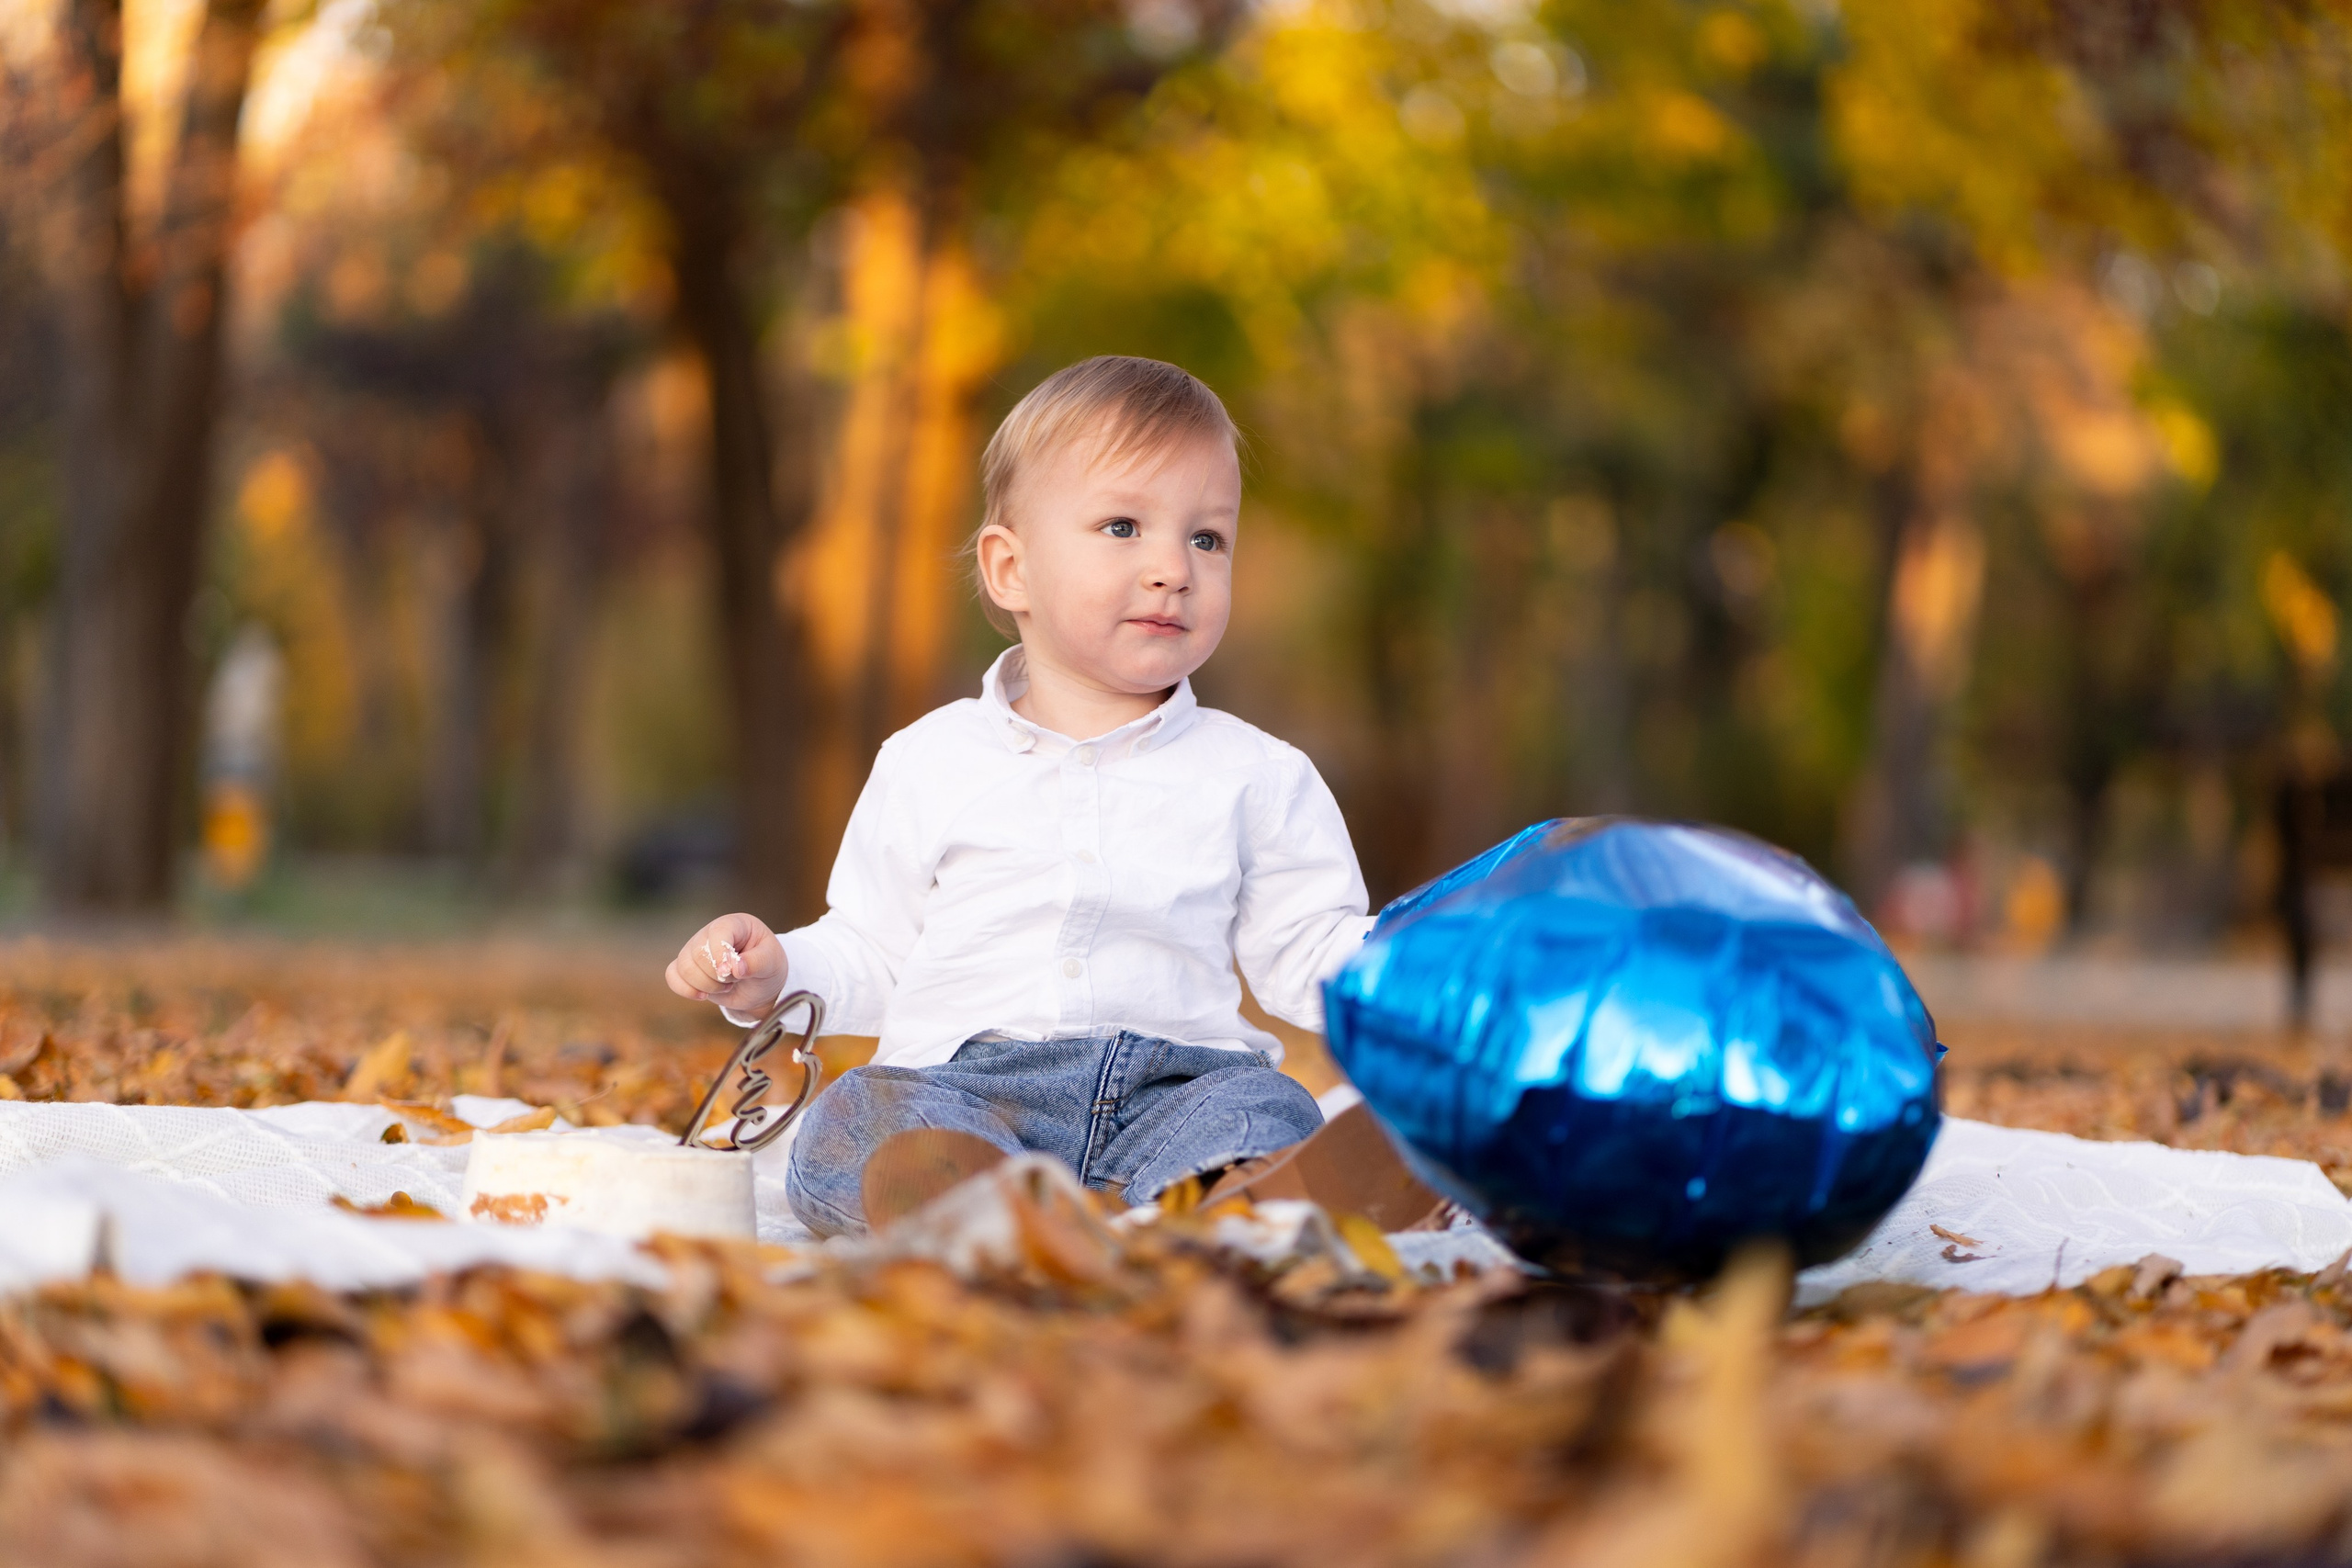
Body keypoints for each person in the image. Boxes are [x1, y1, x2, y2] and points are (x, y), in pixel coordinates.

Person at [665, 355, 1438, 1236]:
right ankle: (979, 1209)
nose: (1172, 568)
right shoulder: (928, 760)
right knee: (855, 1121)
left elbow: (1309, 947)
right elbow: (876, 949)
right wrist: (777, 972)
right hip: (965, 1091)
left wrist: (1415, 976)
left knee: (1268, 1112)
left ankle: (1241, 1200)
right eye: (1122, 526)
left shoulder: (1259, 775)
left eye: (1206, 538)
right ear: (1010, 570)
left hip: (1177, 1089)